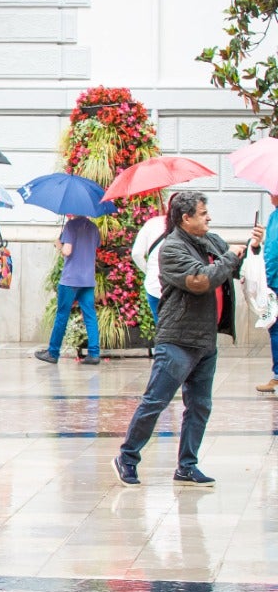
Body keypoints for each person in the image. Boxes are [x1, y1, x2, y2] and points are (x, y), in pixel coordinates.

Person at [114, 192, 261, 487]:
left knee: (200, 405)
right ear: (186, 218)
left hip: (205, 338)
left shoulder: (211, 241)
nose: (209, 217)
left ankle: (187, 465)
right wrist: (231, 256)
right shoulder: (171, 249)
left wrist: (251, 247)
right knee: (156, 401)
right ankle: (127, 457)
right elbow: (200, 281)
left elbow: (232, 269)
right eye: (203, 213)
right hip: (178, 339)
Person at [37, 214, 101, 366]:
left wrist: (59, 244)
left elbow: (67, 250)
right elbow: (96, 246)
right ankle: (94, 353)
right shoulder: (93, 228)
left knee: (62, 315)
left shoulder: (71, 226)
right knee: (90, 316)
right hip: (87, 279)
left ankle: (53, 352)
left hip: (71, 279)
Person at [132, 213, 168, 328]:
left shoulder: (151, 223)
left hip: (154, 284)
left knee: (161, 327)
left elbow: (136, 253)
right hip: (178, 286)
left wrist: (149, 271)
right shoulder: (186, 226)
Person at [265, 199, 278, 393]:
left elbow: (273, 253)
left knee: (275, 327)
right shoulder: (273, 215)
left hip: (275, 281)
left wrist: (266, 279)